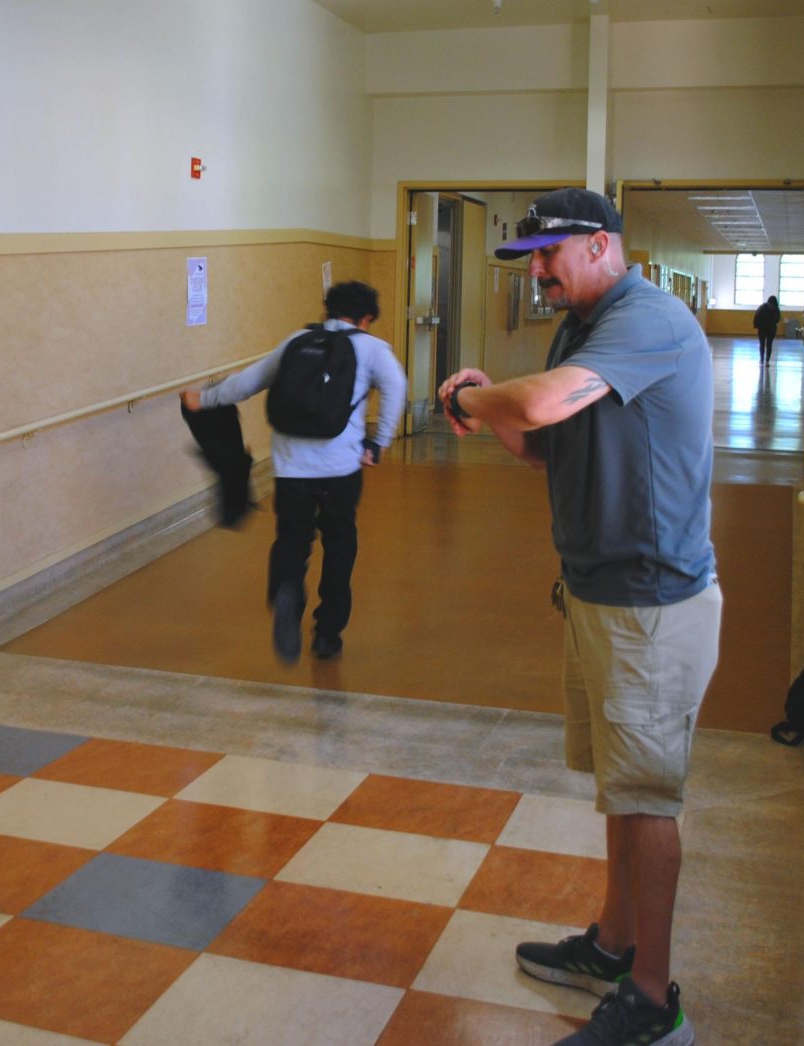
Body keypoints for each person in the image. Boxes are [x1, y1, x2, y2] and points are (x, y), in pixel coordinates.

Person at [437, 188, 721, 1046]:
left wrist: (485, 401)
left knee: (647, 799)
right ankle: (612, 943)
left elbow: (535, 407)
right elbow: (540, 442)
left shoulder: (650, 318)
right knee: (620, 792)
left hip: (652, 605)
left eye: (548, 254)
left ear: (600, 245)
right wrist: (488, 406)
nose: (538, 273)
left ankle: (652, 1003)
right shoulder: (583, 329)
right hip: (598, 592)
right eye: (528, 260)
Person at [181, 281, 406, 662]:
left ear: (327, 311)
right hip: (341, 469)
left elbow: (246, 383)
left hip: (291, 468)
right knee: (339, 545)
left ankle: (287, 588)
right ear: (366, 318)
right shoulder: (372, 349)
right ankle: (327, 634)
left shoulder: (297, 341)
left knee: (292, 540)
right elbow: (397, 388)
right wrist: (378, 444)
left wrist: (202, 399)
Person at [753, 294, 781, 366]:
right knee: (769, 345)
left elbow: (756, 315)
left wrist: (756, 325)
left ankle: (761, 360)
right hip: (771, 329)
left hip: (761, 328)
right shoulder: (776, 308)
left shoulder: (762, 306)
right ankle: (767, 361)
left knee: (762, 344)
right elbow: (777, 319)